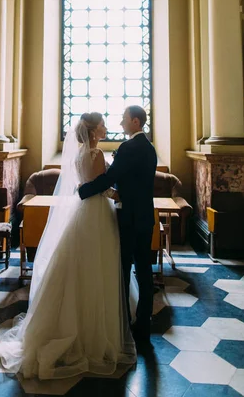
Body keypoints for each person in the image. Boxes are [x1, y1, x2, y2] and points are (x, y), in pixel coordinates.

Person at [0, 112, 136, 380]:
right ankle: (92, 331)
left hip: (83, 212)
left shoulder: (79, 155)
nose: (106, 128)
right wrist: (120, 194)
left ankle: (68, 320)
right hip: (97, 214)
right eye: (102, 125)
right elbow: (100, 188)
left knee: (77, 266)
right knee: (98, 266)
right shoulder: (96, 155)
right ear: (93, 132)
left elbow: (84, 184)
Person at [79, 105, 157, 340]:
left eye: (124, 119)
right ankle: (144, 321)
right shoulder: (149, 148)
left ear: (135, 121)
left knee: (122, 269)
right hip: (145, 216)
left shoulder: (129, 147)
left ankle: (121, 320)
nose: (120, 123)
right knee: (144, 270)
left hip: (129, 218)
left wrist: (84, 190)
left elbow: (111, 178)